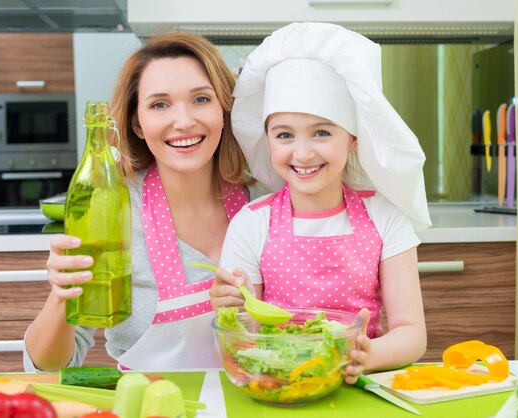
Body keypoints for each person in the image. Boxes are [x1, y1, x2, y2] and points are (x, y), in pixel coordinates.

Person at [24, 32, 265, 372]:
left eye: (200, 99)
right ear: (138, 123)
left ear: (224, 108)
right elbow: (47, 365)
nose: (183, 121)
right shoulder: (115, 211)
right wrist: (63, 294)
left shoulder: (266, 205)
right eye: (159, 104)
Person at [209, 22, 432, 383]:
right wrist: (233, 310)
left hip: (356, 383)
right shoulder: (251, 223)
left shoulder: (385, 216)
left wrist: (369, 354)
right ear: (267, 140)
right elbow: (247, 334)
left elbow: (411, 333)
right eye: (284, 135)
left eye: (322, 132)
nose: (303, 152)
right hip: (277, 383)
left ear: (353, 138)